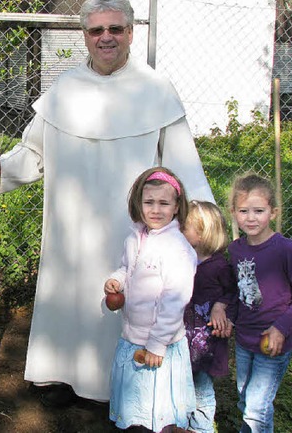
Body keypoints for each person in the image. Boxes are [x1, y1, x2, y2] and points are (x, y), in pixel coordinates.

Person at [0, 0, 214, 405]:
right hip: (70, 225)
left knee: (126, 298)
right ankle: (62, 377)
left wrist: (202, 222)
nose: (106, 38)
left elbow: (184, 167)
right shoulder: (65, 88)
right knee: (67, 294)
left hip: (131, 232)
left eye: (115, 29)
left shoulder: (155, 89)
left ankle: (114, 386)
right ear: (84, 36)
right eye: (96, 30)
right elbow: (33, 153)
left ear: (131, 33)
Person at [104, 167, 197, 432]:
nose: (155, 210)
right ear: (139, 203)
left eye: (164, 203)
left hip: (158, 345)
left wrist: (157, 344)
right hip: (133, 336)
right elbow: (126, 267)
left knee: (159, 412)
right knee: (136, 410)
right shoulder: (135, 237)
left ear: (177, 206)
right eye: (149, 202)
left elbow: (174, 302)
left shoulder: (177, 248)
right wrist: (117, 280)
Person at [228, 173, 292, 433]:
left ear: (273, 212)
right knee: (247, 400)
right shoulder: (235, 249)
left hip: (274, 343)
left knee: (256, 408)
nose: (251, 217)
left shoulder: (284, 249)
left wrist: (281, 327)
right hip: (245, 341)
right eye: (244, 210)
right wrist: (229, 316)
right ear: (233, 212)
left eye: (259, 210)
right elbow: (237, 291)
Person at [182, 200, 236, 433]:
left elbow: (234, 291)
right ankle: (182, 426)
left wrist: (220, 306)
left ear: (202, 234)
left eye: (185, 227)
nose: (180, 231)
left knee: (202, 389)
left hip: (206, 342)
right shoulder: (183, 258)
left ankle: (202, 427)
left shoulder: (219, 266)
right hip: (183, 338)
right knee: (182, 385)